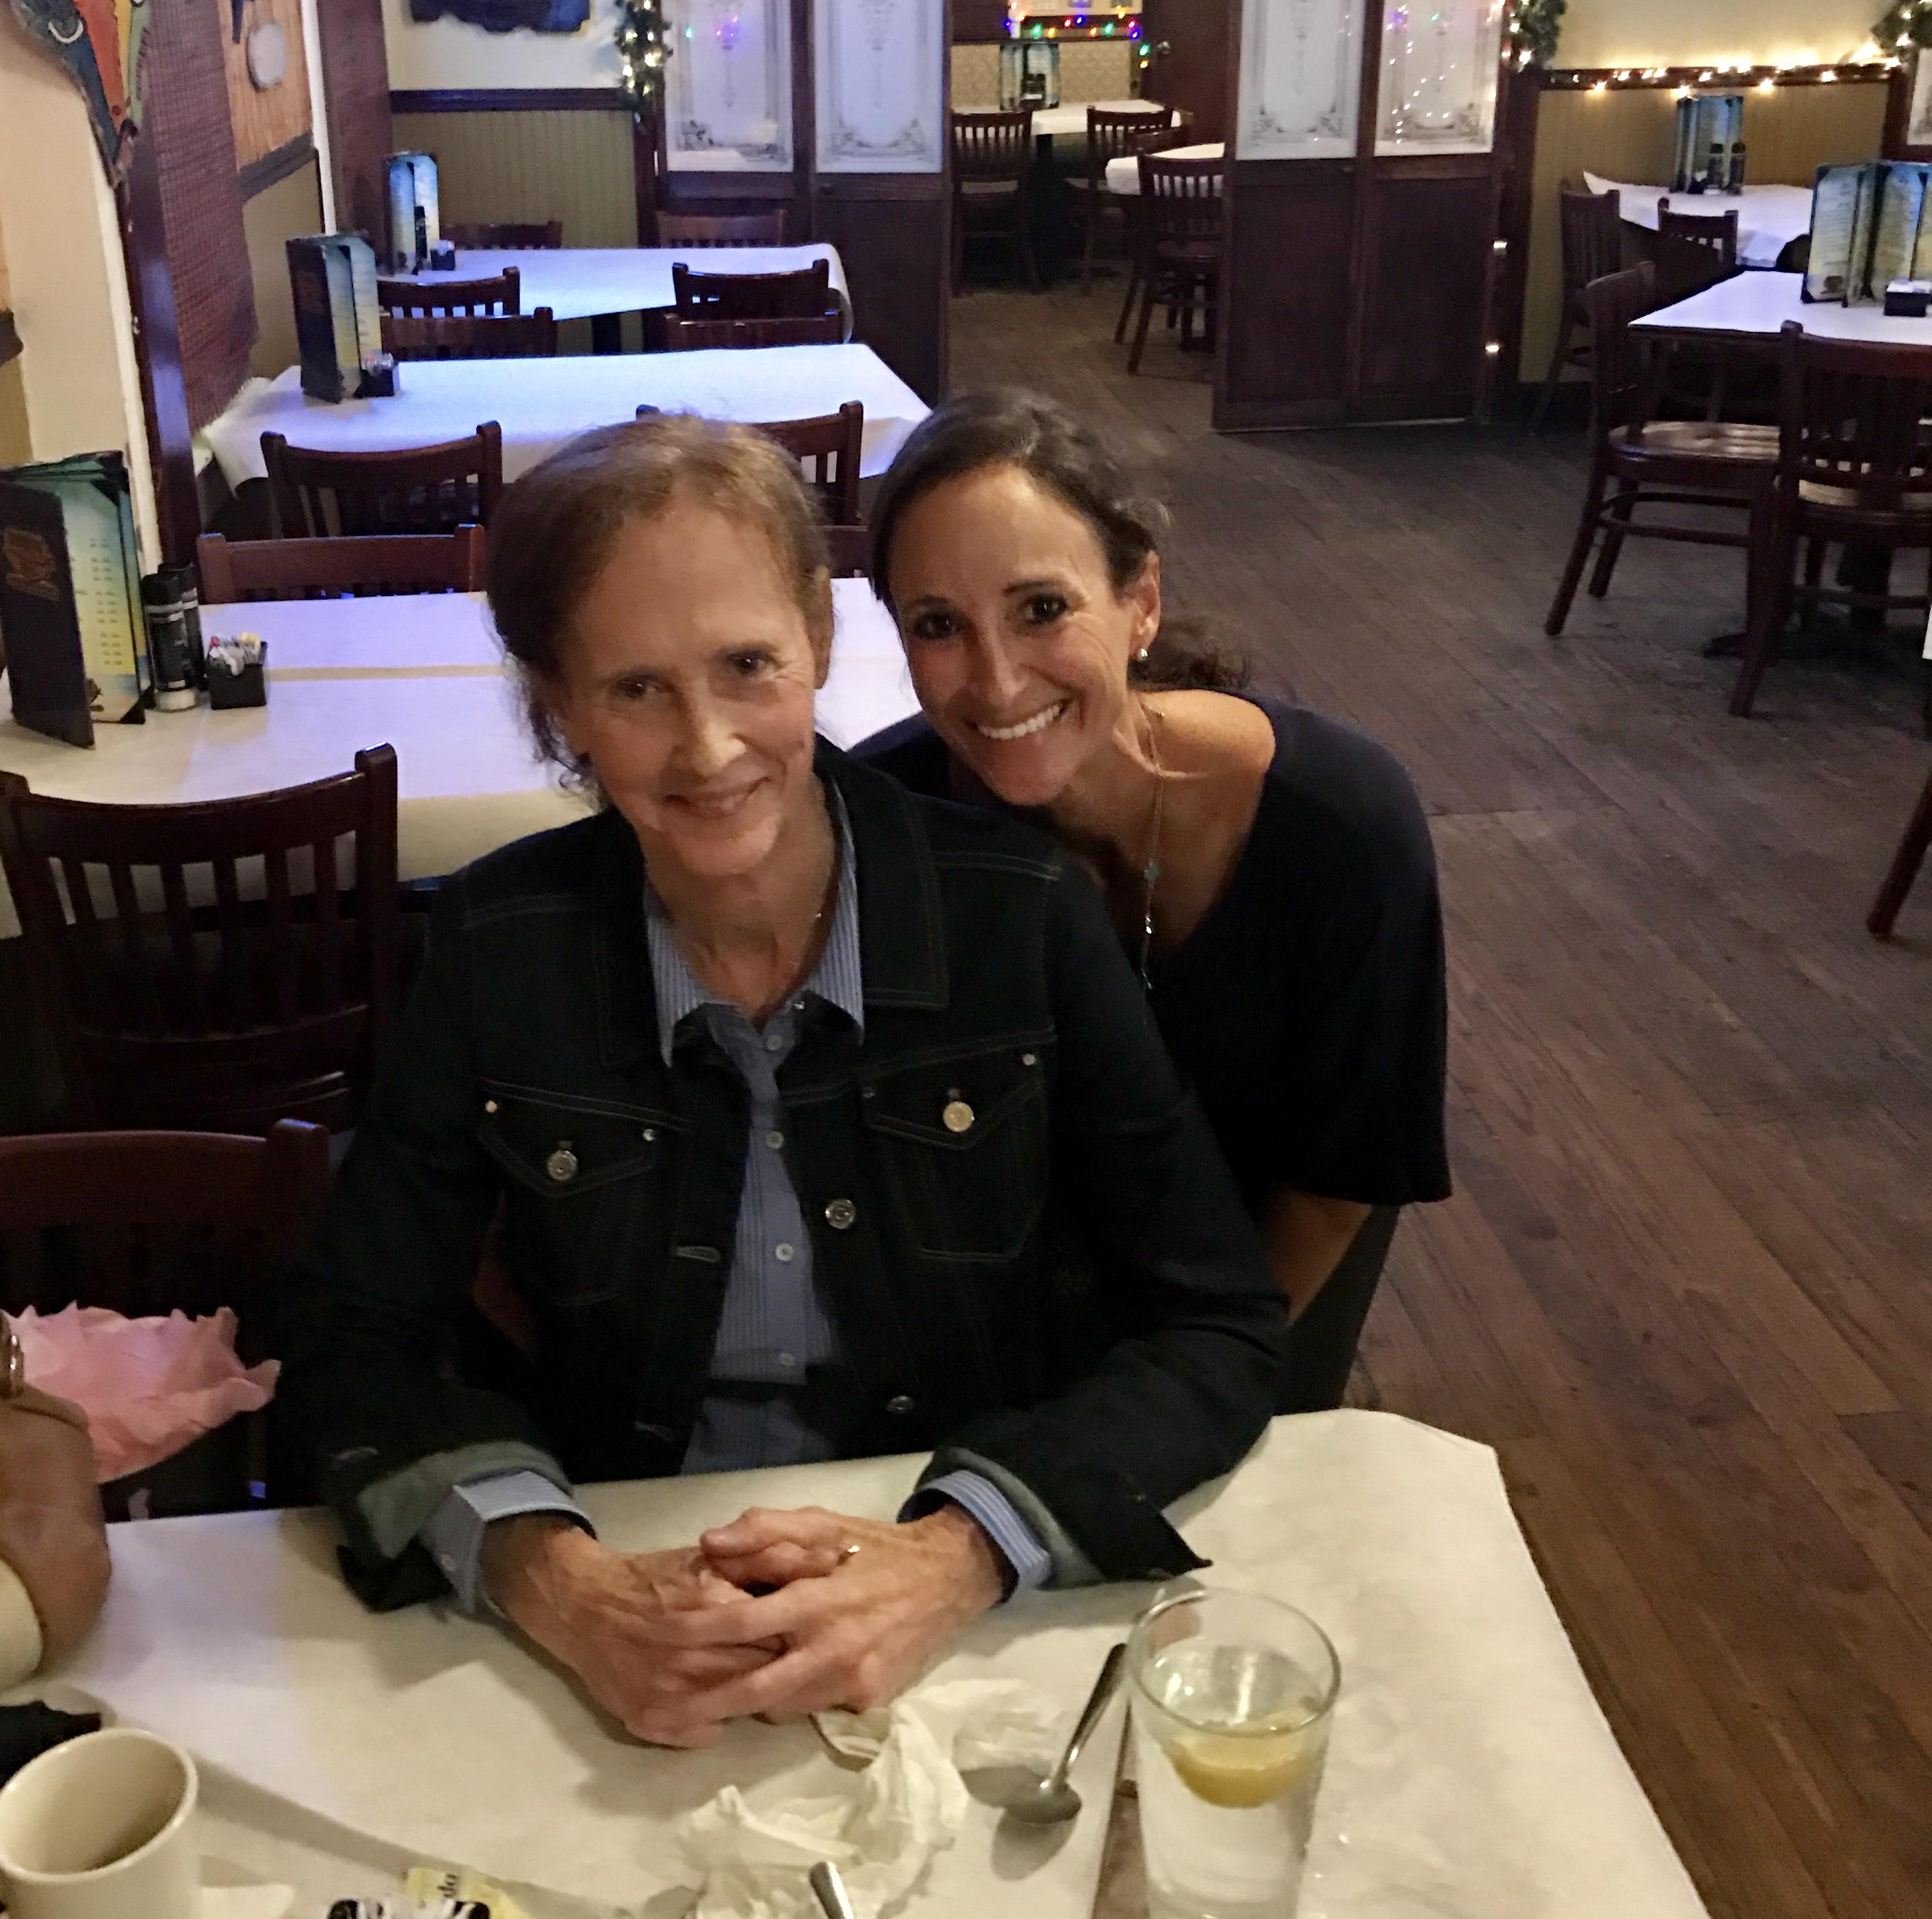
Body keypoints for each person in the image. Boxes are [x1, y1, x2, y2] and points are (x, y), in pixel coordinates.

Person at [276, 416, 1286, 1749]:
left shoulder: (1017, 917)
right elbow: (352, 1346)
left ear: (817, 635)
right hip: (630, 1599)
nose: (706, 749)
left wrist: (956, 1554)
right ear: (557, 706)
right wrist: (556, 1580)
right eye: (635, 689)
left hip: (965, 1612)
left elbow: (1218, 1325)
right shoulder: (493, 944)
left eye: (747, 665)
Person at [856, 391, 1450, 1412]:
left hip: (1282, 1255)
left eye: (1042, 609)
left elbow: (1339, 1174)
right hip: (1009, 1302)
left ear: (1141, 603)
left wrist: (1190, 1391)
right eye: (939, 626)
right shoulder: (886, 831)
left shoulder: (1340, 825)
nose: (996, 685)